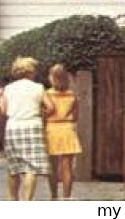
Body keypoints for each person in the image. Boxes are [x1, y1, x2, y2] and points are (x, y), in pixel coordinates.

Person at [0, 56, 51, 201]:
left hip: (13, 126)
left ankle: (12, 200)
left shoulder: (8, 89)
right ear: (30, 71)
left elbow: (3, 110)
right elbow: (50, 107)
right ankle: (26, 201)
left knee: (13, 167)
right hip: (32, 125)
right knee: (31, 168)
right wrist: (41, 113)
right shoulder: (38, 87)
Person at [45, 64, 81, 200]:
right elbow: (76, 116)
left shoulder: (47, 94)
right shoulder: (72, 95)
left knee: (53, 167)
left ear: (52, 78)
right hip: (67, 129)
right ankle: (67, 196)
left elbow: (46, 112)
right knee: (67, 167)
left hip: (51, 129)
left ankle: (54, 196)